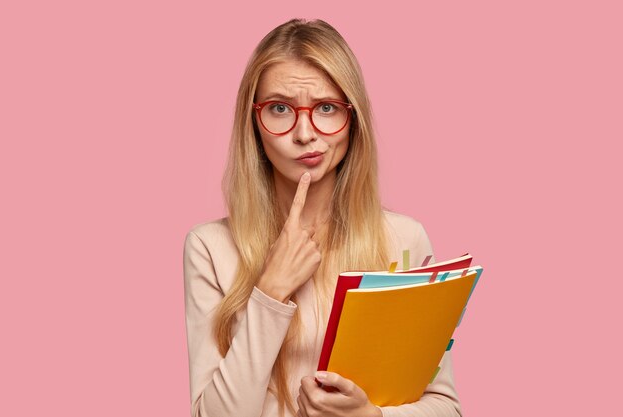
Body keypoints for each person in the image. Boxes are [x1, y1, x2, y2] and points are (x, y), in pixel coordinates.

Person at [183, 18, 462, 417]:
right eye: (279, 109)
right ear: (253, 123)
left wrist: (370, 416)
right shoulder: (209, 247)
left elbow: (446, 408)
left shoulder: (404, 238)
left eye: (326, 108)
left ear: (353, 119)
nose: (304, 133)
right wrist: (270, 292)